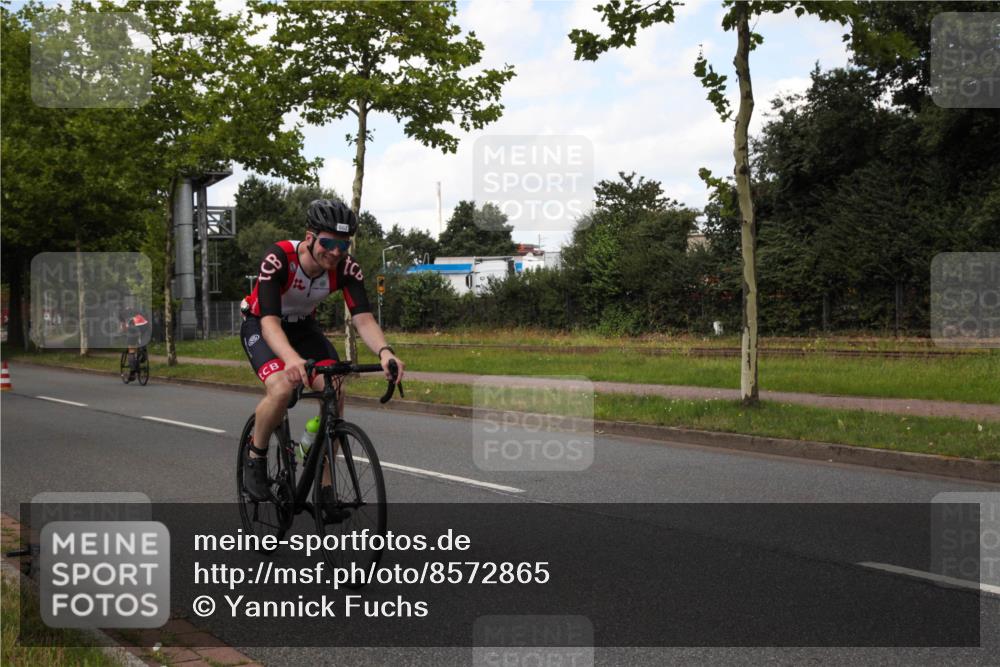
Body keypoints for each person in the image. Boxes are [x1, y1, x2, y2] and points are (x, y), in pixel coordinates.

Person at [239, 199, 405, 502]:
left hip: (303, 328)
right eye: (328, 242)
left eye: (344, 244)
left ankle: (325, 486)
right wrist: (290, 359)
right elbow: (270, 322)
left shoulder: (347, 269)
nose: (336, 252)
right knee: (281, 389)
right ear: (310, 236)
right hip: (262, 325)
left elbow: (363, 318)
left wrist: (385, 351)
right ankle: (256, 456)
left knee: (335, 389)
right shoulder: (279, 258)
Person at [121, 309, 149, 381]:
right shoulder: (140, 315)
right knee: (142, 343)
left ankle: (133, 372)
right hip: (144, 328)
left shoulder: (127, 319)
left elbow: (124, 329)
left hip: (133, 331)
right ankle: (143, 355)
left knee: (131, 350)